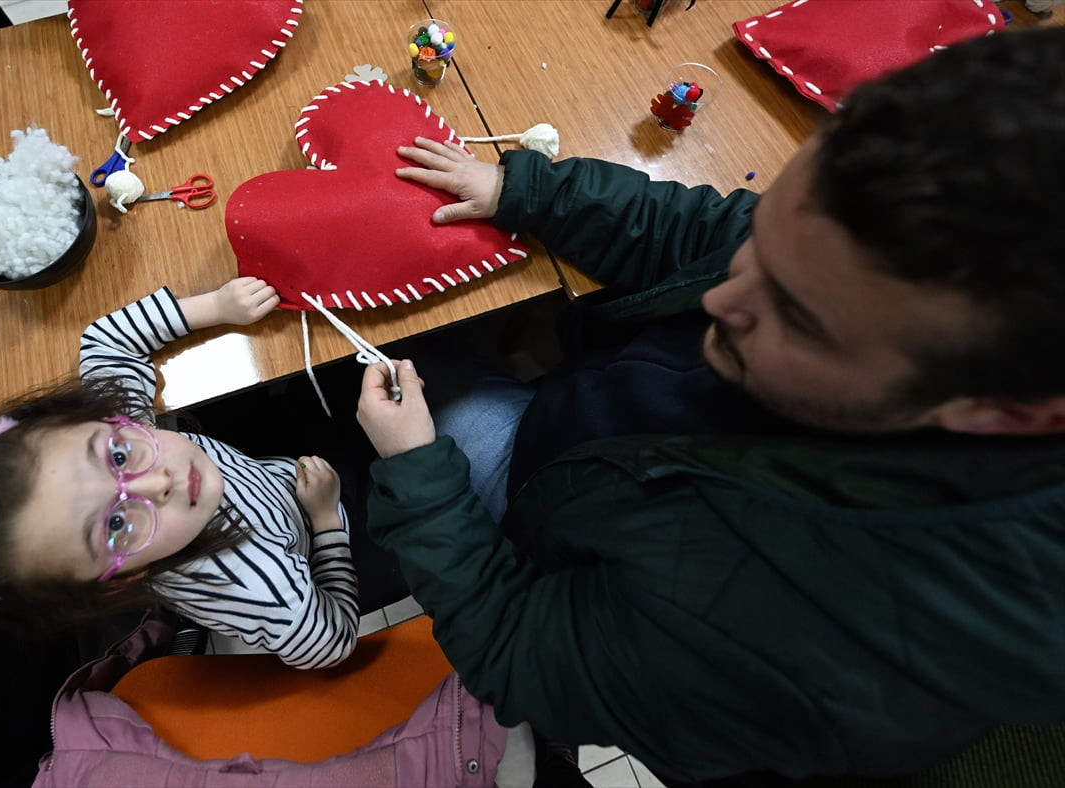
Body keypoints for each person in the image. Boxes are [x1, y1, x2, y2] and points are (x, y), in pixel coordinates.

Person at [355, 26, 1065, 786]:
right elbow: (708, 233)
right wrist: (528, 193)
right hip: (596, 446)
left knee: (427, 378)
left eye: (798, 317)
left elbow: (525, 659)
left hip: (550, 511)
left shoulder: (821, 658)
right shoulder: (889, 278)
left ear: (1001, 412)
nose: (723, 298)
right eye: (765, 242)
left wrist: (421, 479)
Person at [0, 277, 359, 669]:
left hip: (266, 477)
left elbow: (105, 341)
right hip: (306, 516)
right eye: (116, 525)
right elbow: (330, 644)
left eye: (116, 457)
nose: (159, 482)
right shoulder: (258, 585)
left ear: (94, 418)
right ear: (119, 580)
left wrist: (216, 305)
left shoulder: (127, 425)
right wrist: (324, 526)